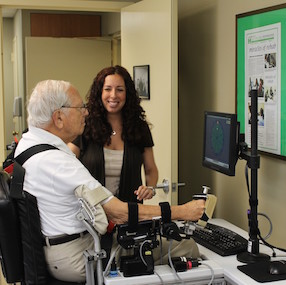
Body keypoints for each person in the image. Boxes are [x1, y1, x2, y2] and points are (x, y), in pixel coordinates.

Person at [15, 79, 205, 283]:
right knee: (186, 246)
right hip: (77, 256)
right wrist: (182, 212)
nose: (85, 113)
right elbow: (121, 213)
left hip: (61, 247)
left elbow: (148, 173)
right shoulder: (59, 163)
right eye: (80, 108)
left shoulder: (28, 143)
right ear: (59, 117)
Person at [69, 65, 158, 203]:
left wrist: (150, 188)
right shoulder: (85, 125)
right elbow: (67, 165)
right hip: (92, 213)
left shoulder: (139, 127)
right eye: (108, 89)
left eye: (120, 90)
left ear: (127, 94)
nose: (113, 95)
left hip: (129, 214)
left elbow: (151, 170)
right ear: (100, 92)